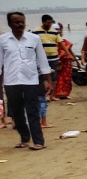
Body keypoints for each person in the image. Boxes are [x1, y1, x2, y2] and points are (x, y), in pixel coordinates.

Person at [1, 12, 52, 150]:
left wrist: (47, 80)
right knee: (16, 113)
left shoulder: (34, 39)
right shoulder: (3, 40)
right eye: (16, 22)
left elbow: (42, 60)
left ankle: (38, 141)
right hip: (11, 81)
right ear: (10, 24)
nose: (20, 24)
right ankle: (24, 138)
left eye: (22, 21)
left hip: (31, 80)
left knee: (33, 111)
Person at [33, 16, 61, 128]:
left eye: (50, 23)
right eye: (48, 22)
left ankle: (43, 121)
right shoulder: (35, 34)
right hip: (37, 76)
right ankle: (41, 121)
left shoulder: (53, 33)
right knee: (38, 100)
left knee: (41, 99)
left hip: (46, 67)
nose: (49, 24)